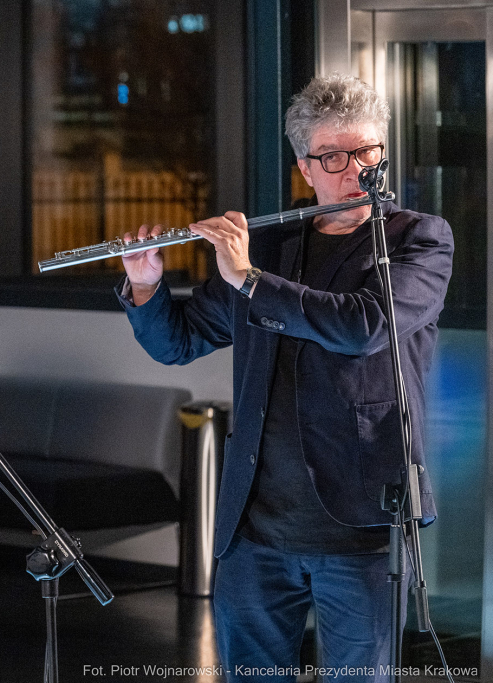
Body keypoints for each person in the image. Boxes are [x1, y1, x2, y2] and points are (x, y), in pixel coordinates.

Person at [117, 74, 453, 680]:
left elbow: (363, 325)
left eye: (367, 152)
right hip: (256, 532)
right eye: (334, 157)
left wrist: (247, 279)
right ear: (306, 169)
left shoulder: (417, 240)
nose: (356, 170)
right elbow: (181, 342)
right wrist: (145, 285)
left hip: (362, 528)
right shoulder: (268, 244)